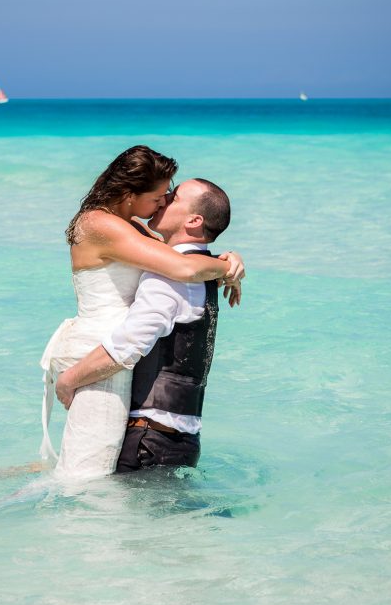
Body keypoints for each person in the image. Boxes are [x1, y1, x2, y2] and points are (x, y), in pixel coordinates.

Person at [41, 147, 245, 481]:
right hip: (98, 355)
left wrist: (226, 259)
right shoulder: (100, 224)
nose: (163, 202)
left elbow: (182, 257)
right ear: (129, 194)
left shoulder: (135, 230)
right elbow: (181, 264)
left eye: (170, 197)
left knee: (86, 473)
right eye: (160, 196)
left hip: (112, 362)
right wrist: (226, 264)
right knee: (84, 479)